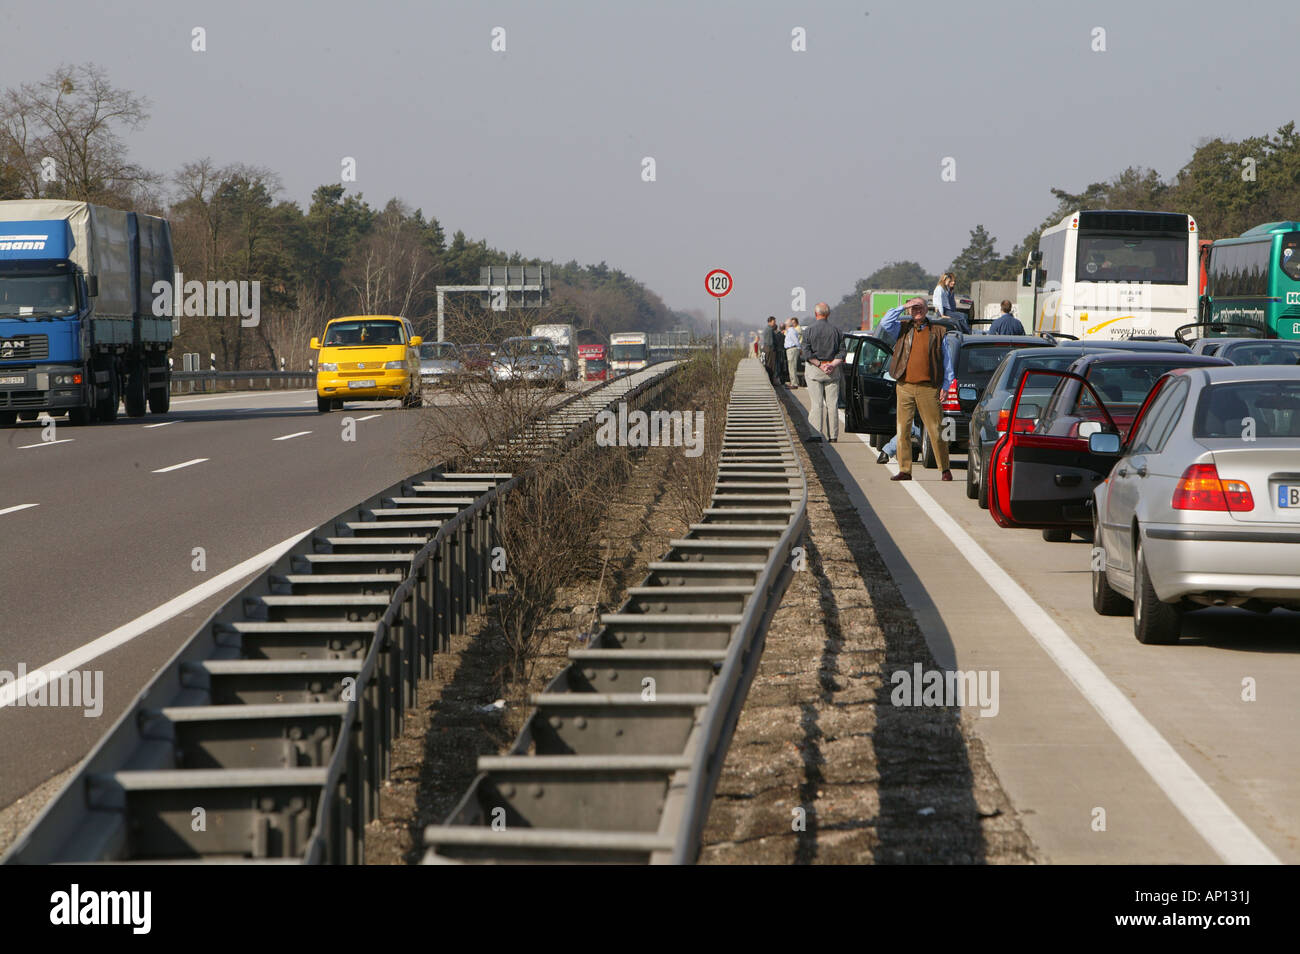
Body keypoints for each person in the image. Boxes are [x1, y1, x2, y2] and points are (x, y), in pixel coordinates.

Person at [876, 297, 952, 481]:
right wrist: (903, 306)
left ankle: (945, 468)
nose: (916, 310)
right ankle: (905, 470)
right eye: (913, 308)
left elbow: (947, 361)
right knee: (903, 430)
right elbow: (885, 322)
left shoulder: (939, 331)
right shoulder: (902, 328)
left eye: (920, 307)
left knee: (936, 429)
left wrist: (946, 385)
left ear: (926, 310)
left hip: (928, 387)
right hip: (905, 386)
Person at [876, 335, 955, 463]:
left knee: (915, 426)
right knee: (917, 426)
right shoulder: (909, 340)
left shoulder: (935, 342)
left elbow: (948, 368)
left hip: (931, 393)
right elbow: (948, 368)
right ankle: (890, 451)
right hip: (931, 393)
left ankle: (888, 451)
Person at [799, 302, 846, 442]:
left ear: (815, 314)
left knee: (816, 403)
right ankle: (833, 435)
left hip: (815, 371)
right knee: (832, 404)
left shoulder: (809, 330)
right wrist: (831, 364)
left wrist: (820, 365)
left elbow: (806, 353)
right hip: (833, 371)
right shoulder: (837, 330)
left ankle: (816, 434)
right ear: (828, 314)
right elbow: (842, 352)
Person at [784, 317, 802, 389]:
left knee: (792, 367)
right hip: (790, 349)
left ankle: (794, 383)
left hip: (792, 349)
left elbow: (796, 341)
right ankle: (793, 382)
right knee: (790, 367)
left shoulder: (791, 331)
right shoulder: (789, 331)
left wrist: (799, 348)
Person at [763, 316, 782, 384]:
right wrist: (775, 349)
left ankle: (771, 380)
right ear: (770, 322)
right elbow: (771, 342)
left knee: (768, 364)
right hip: (770, 350)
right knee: (771, 365)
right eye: (774, 322)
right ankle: (771, 381)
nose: (774, 323)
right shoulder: (770, 329)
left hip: (767, 349)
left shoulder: (766, 329)